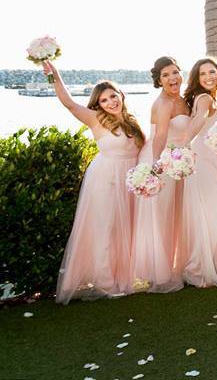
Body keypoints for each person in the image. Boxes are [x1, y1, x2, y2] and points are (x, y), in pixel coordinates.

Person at [45, 63, 145, 304]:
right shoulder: (96, 120)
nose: (111, 102)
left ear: (121, 95)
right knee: (105, 229)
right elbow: (69, 103)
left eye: (113, 96)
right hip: (106, 180)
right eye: (103, 100)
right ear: (97, 105)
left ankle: (125, 277)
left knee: (127, 230)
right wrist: (56, 76)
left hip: (131, 182)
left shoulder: (132, 122)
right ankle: (106, 283)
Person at [130, 56, 200, 294]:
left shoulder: (181, 99)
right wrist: (156, 166)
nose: (173, 78)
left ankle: (174, 265)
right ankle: (158, 274)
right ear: (159, 81)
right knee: (161, 215)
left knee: (175, 214)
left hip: (177, 160)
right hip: (162, 160)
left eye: (175, 73)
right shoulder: (163, 104)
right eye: (166, 75)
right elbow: (160, 136)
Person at [179, 58, 217, 288]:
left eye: (213, 72)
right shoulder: (204, 98)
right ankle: (202, 268)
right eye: (203, 73)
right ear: (197, 77)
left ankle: (214, 263)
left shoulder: (215, 99)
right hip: (204, 160)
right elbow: (199, 120)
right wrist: (183, 143)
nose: (209, 76)